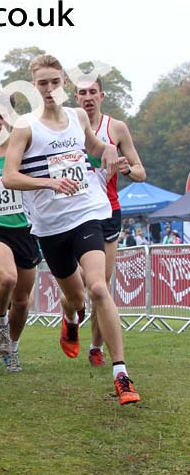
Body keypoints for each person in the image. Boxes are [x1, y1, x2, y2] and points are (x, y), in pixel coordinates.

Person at [2, 53, 140, 405]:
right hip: (50, 227)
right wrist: (49, 183)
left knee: (98, 286)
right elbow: (9, 176)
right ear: (34, 88)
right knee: (76, 298)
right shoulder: (26, 127)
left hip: (87, 211)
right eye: (42, 84)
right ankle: (69, 317)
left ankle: (121, 374)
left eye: (54, 82)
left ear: (63, 83)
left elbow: (94, 147)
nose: (49, 90)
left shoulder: (78, 117)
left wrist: (110, 152)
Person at [75, 77, 146, 366]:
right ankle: (72, 308)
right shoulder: (68, 125)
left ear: (101, 96)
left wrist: (128, 168)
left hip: (107, 211)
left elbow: (141, 171)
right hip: (74, 212)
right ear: (76, 97)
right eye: (82, 92)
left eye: (93, 92)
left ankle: (95, 346)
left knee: (100, 285)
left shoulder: (115, 128)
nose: (88, 97)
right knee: (81, 283)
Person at [0, 92, 41, 372]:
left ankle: (12, 348)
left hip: (24, 229)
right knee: (7, 277)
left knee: (23, 301)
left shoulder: (24, 148)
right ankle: (0, 318)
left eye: (3, 116)